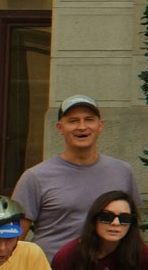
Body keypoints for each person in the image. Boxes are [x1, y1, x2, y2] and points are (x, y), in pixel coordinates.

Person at [11, 93, 139, 256]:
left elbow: (132, 228)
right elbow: (13, 240)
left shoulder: (123, 171)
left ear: (100, 126)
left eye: (89, 119)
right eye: (73, 121)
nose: (81, 126)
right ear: (59, 128)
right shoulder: (35, 177)